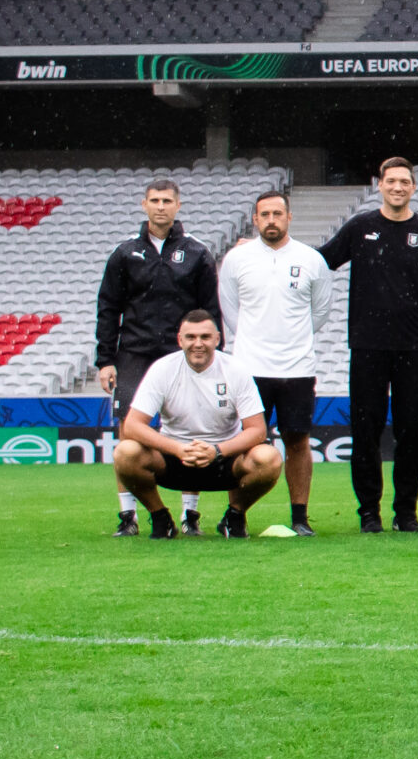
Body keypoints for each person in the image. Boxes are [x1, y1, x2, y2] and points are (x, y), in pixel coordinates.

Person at [318, 157, 418, 534]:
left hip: (415, 346)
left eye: (405, 181)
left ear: (413, 187)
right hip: (368, 345)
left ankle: (406, 513)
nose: (398, 187)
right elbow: (321, 260)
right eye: (391, 181)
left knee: (409, 433)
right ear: (380, 185)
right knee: (366, 432)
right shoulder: (360, 227)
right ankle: (369, 513)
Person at [96, 176, 216, 535]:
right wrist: (105, 359)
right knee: (129, 432)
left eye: (166, 201)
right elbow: (108, 307)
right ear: (144, 205)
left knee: (192, 428)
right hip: (135, 352)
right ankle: (128, 515)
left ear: (178, 206)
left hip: (183, 354)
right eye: (155, 200)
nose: (160, 206)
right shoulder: (124, 253)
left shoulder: (197, 252)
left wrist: (213, 355)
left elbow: (210, 310)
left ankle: (190, 515)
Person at [217, 188, 333, 538]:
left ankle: (300, 517)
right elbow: (230, 310)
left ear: (289, 217)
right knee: (247, 444)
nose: (271, 220)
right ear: (255, 219)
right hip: (249, 369)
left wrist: (290, 339)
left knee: (298, 441)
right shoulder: (237, 259)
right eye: (264, 214)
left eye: (277, 214)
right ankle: (236, 516)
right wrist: (256, 340)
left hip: (297, 368)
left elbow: (320, 312)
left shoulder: (311, 259)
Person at [111, 310, 283, 538]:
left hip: (223, 460)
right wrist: (178, 449)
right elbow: (133, 425)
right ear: (180, 340)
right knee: (125, 453)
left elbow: (257, 430)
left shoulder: (236, 370)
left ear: (217, 339)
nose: (198, 344)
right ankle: (160, 517)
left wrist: (216, 451)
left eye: (205, 337)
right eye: (191, 337)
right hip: (173, 458)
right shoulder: (163, 369)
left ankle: (235, 515)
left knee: (269, 458)